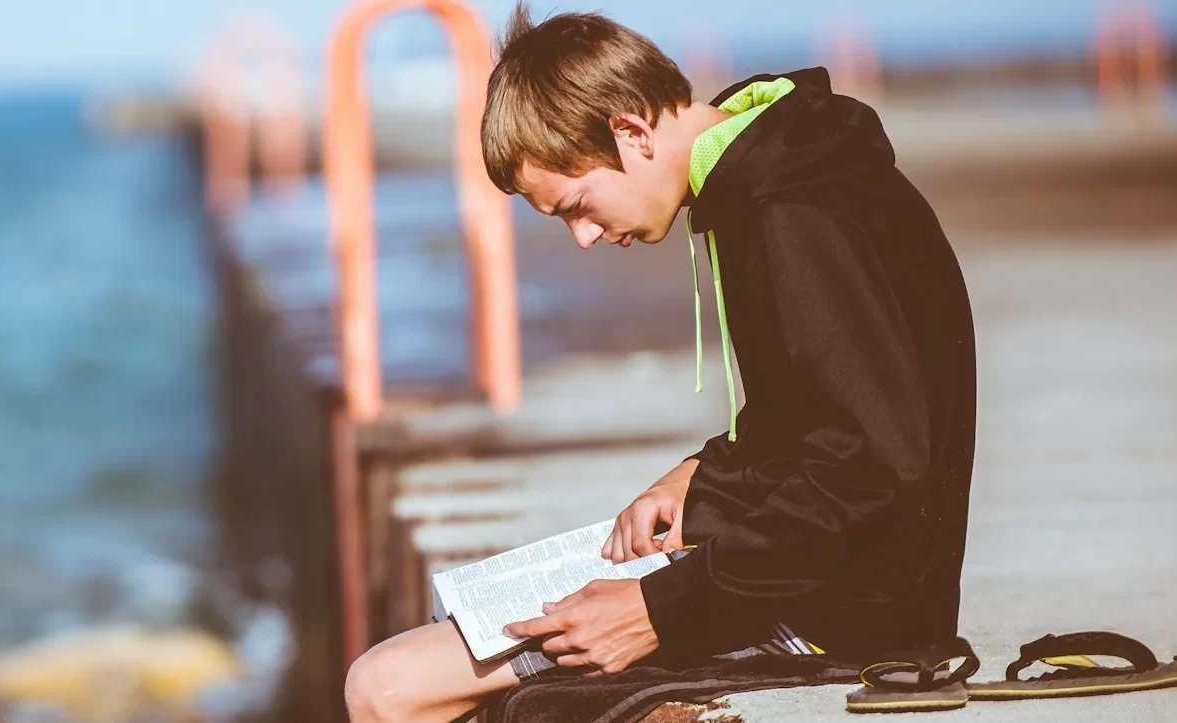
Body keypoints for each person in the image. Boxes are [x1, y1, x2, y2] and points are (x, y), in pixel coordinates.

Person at [343, 5, 977, 722]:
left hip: (844, 612)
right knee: (405, 671)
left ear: (631, 131)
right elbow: (825, 410)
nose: (582, 236)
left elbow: (875, 466)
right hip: (812, 573)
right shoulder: (778, 174)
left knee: (386, 688)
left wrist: (656, 610)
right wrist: (701, 477)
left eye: (576, 204)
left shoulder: (793, 215)